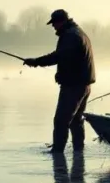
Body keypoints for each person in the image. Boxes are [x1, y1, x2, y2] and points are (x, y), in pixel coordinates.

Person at [23, 9, 96, 154]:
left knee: (61, 120)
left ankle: (58, 151)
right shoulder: (78, 33)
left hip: (73, 86)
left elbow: (58, 56)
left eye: (54, 23)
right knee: (75, 120)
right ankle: (78, 151)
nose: (53, 27)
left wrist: (36, 62)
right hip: (83, 85)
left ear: (61, 21)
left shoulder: (70, 36)